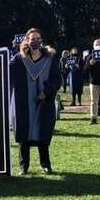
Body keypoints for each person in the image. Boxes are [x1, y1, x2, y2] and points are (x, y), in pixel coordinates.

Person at [10, 28, 61, 175]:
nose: (35, 41)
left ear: (41, 40)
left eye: (38, 38)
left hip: (43, 101)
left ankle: (45, 164)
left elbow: (57, 79)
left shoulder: (49, 58)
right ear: (27, 40)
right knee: (23, 134)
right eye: (32, 39)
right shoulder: (19, 59)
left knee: (42, 133)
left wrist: (46, 91)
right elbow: (7, 73)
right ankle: (23, 166)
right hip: (24, 102)